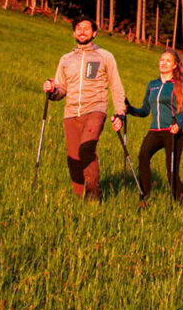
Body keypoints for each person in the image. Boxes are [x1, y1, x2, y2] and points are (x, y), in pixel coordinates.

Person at [42, 17, 128, 201]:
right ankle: (78, 197)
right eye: (78, 28)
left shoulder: (105, 56)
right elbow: (61, 90)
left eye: (86, 28)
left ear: (94, 33)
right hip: (71, 113)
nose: (82, 31)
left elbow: (116, 86)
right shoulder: (66, 59)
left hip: (95, 109)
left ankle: (93, 195)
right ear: (74, 33)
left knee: (86, 149)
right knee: (73, 157)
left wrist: (120, 112)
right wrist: (52, 90)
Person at [125, 48, 183, 203]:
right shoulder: (152, 85)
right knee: (143, 157)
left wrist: (178, 125)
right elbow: (145, 110)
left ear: (175, 65)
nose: (164, 63)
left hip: (172, 132)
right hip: (155, 131)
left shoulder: (180, 85)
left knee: (171, 172)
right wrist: (130, 109)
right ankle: (144, 197)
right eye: (162, 60)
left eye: (168, 61)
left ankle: (180, 202)